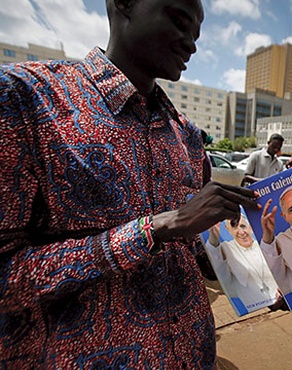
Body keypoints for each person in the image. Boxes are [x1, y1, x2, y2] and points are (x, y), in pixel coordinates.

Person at [0, 0, 259, 368]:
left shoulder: (185, 134)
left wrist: (256, 277)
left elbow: (193, 249)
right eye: (179, 20)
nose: (192, 44)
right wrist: (153, 230)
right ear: (122, 3)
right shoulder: (26, 101)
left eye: (197, 33)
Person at [205, 214, 279, 314]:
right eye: (234, 228)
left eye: (243, 226)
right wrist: (214, 238)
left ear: (251, 228)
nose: (241, 232)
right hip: (250, 306)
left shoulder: (263, 244)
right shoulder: (226, 248)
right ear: (228, 230)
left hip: (278, 298)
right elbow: (223, 276)